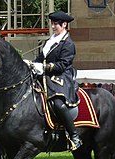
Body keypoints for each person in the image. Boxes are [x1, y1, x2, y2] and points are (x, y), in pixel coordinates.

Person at [32, 10, 82, 150]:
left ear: (64, 24)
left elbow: (62, 65)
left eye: (56, 24)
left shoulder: (68, 44)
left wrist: (43, 68)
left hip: (62, 77)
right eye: (52, 24)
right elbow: (40, 58)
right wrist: (32, 64)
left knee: (57, 101)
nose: (53, 27)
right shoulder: (50, 41)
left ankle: (74, 136)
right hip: (46, 75)